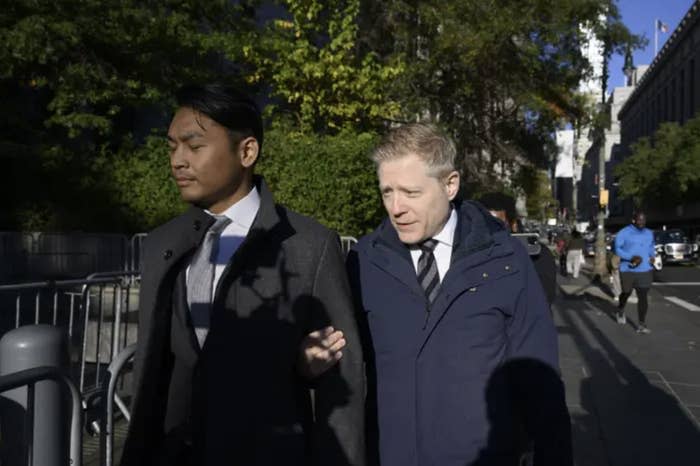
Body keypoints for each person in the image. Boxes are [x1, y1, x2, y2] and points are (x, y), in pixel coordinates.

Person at [120, 84, 365, 466]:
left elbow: (341, 386)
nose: (177, 161)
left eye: (194, 146)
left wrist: (295, 368)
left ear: (247, 151)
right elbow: (157, 371)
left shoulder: (310, 246)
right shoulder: (161, 245)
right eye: (172, 147)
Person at [313, 124, 572, 465]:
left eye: (410, 192)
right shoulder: (363, 261)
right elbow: (341, 367)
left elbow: (540, 379)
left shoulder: (506, 259)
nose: (396, 207)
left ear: (450, 185)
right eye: (387, 191)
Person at [477, 191, 558, 306]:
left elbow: (542, 299)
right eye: (484, 225)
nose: (490, 232)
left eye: (497, 226)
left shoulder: (537, 255)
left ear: (513, 225)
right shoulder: (470, 255)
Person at [614, 211, 656, 333]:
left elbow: (651, 247)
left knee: (643, 296)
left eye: (643, 220)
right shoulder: (624, 233)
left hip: (645, 269)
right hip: (628, 269)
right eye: (639, 220)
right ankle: (620, 309)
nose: (641, 222)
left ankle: (641, 324)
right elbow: (617, 249)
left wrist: (652, 256)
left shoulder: (649, 233)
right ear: (633, 220)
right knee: (626, 292)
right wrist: (630, 257)